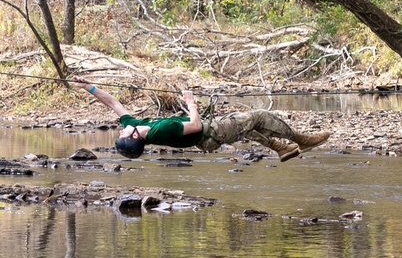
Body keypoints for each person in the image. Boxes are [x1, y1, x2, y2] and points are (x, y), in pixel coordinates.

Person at [73, 77, 329, 161]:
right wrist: (191, 103)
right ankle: (301, 140)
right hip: (210, 133)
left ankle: (281, 148)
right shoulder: (164, 130)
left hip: (209, 138)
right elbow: (194, 124)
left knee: (249, 128)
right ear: (136, 137)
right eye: (123, 136)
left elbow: (113, 102)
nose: (120, 132)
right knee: (259, 116)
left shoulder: (133, 126)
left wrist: (89, 88)